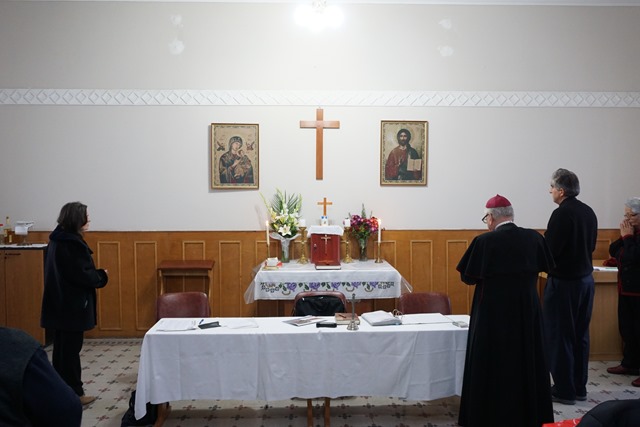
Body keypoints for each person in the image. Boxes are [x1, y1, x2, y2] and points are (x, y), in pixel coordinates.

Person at [456, 194, 554, 427]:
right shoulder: (534, 238)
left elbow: (468, 277)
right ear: (511, 216)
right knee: (526, 360)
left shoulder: (484, 242)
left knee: (491, 364)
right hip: (526, 312)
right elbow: (549, 266)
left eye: (486, 218)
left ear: (491, 217)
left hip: (492, 315)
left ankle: (487, 416)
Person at [40, 202, 109, 406]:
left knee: (61, 352)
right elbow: (83, 276)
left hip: (59, 304)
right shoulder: (72, 244)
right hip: (72, 306)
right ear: (76, 219)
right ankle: (74, 393)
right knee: (70, 353)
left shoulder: (57, 240)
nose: (89, 220)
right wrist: (102, 275)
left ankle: (61, 391)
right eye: (86, 216)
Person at [543, 168, 598, 405]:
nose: (550, 191)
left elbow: (550, 251)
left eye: (552, 187)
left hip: (564, 283)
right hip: (585, 281)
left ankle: (564, 390)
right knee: (580, 335)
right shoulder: (588, 211)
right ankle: (579, 387)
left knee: (560, 335)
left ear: (561, 191)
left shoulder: (561, 214)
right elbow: (592, 245)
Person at [0, 327, 82, 426]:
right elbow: (67, 410)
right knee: (68, 347)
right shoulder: (14, 346)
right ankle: (74, 388)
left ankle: (72, 386)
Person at [606, 197, 640, 386]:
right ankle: (630, 363)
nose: (627, 219)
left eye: (632, 215)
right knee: (627, 329)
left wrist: (627, 238)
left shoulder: (632, 236)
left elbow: (633, 256)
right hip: (626, 289)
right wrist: (624, 236)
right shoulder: (631, 232)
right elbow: (614, 250)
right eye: (626, 215)